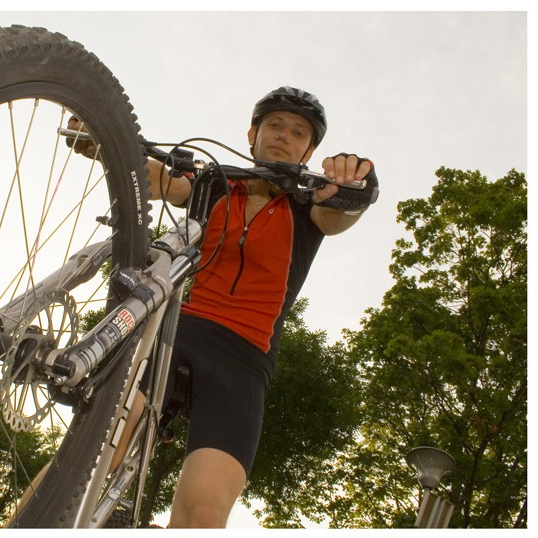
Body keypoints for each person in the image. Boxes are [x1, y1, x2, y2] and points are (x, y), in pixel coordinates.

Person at [68, 86, 376, 528]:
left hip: (244, 360)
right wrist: (104, 142)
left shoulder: (310, 203)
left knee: (204, 515)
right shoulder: (216, 184)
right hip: (177, 331)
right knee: (89, 461)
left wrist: (354, 186)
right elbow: (160, 178)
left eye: (298, 132)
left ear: (309, 151)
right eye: (274, 125)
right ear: (252, 134)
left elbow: (338, 215)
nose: (284, 135)